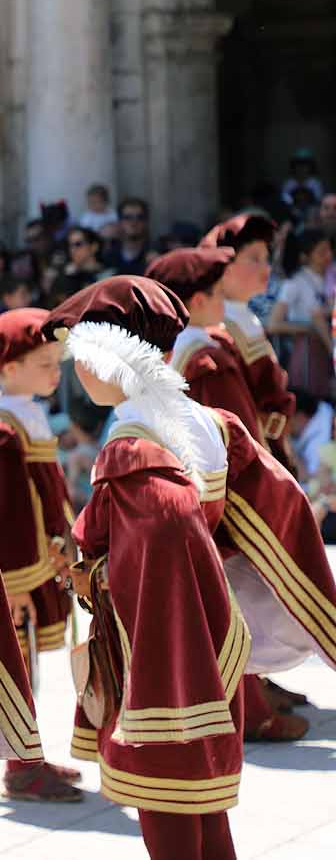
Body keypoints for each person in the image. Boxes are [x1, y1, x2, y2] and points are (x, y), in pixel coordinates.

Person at [45, 277, 245, 860]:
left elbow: (162, 537)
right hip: (206, 626)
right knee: (201, 802)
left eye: (81, 359)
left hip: (160, 645)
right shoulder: (204, 418)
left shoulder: (132, 442)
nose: (76, 374)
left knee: (167, 808)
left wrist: (95, 577)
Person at [147, 246, 333, 739]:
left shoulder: (176, 351)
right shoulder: (205, 357)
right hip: (221, 493)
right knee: (234, 606)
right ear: (201, 299)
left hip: (188, 491)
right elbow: (236, 435)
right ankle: (245, 708)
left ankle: (247, 701)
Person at [0, 309, 82, 802]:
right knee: (14, 667)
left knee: (26, 668)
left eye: (57, 362)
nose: (56, 372)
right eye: (44, 362)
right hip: (17, 577)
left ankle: (29, 753)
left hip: (39, 566)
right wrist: (11, 584)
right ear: (9, 367)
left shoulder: (25, 416)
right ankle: (20, 765)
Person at [201, 213, 297, 464]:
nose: (266, 267)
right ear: (224, 265)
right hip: (245, 456)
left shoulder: (244, 317)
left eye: (267, 258)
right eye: (254, 258)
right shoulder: (216, 328)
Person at [268, 228, 333, 395]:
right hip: (307, 351)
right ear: (306, 256)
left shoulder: (330, 277)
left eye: (329, 250)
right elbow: (273, 324)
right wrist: (308, 328)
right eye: (321, 252)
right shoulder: (295, 283)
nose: (328, 256)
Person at [289, 389, 334, 482]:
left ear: (300, 417)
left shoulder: (323, 435)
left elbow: (308, 480)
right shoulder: (322, 416)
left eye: (287, 418)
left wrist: (286, 445)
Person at [106, 196, 158, 274]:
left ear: (146, 222)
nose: (134, 222)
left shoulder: (157, 254)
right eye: (127, 218)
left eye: (140, 217)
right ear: (119, 222)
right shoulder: (109, 256)